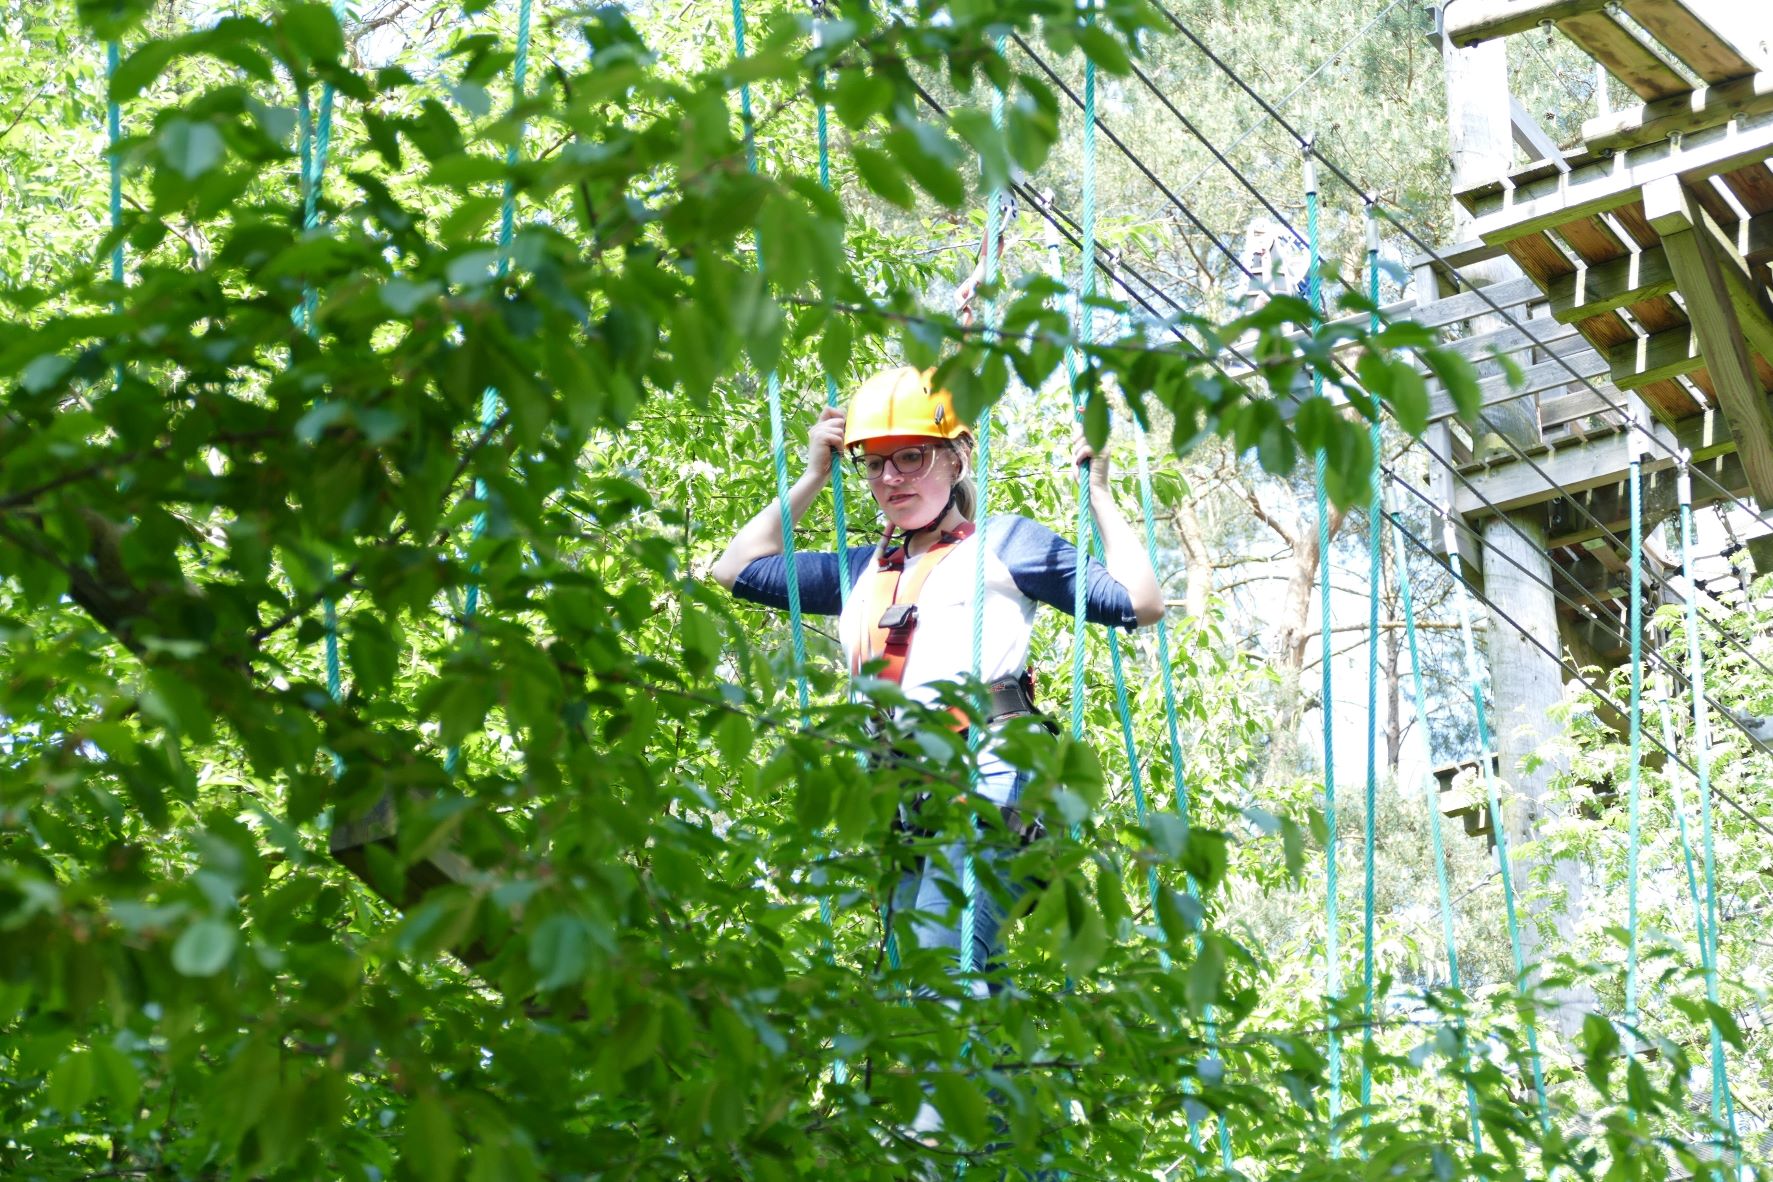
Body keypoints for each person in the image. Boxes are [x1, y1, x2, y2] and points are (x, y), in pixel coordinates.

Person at [711, 365, 1164, 985]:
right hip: (903, 795)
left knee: (939, 973)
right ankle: (1007, 1080)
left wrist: (1102, 497)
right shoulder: (861, 569)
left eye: (912, 457)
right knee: (939, 987)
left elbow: (1139, 604)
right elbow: (736, 570)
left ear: (955, 460)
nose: (891, 477)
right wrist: (814, 475)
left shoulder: (1008, 545)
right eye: (874, 463)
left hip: (993, 765)